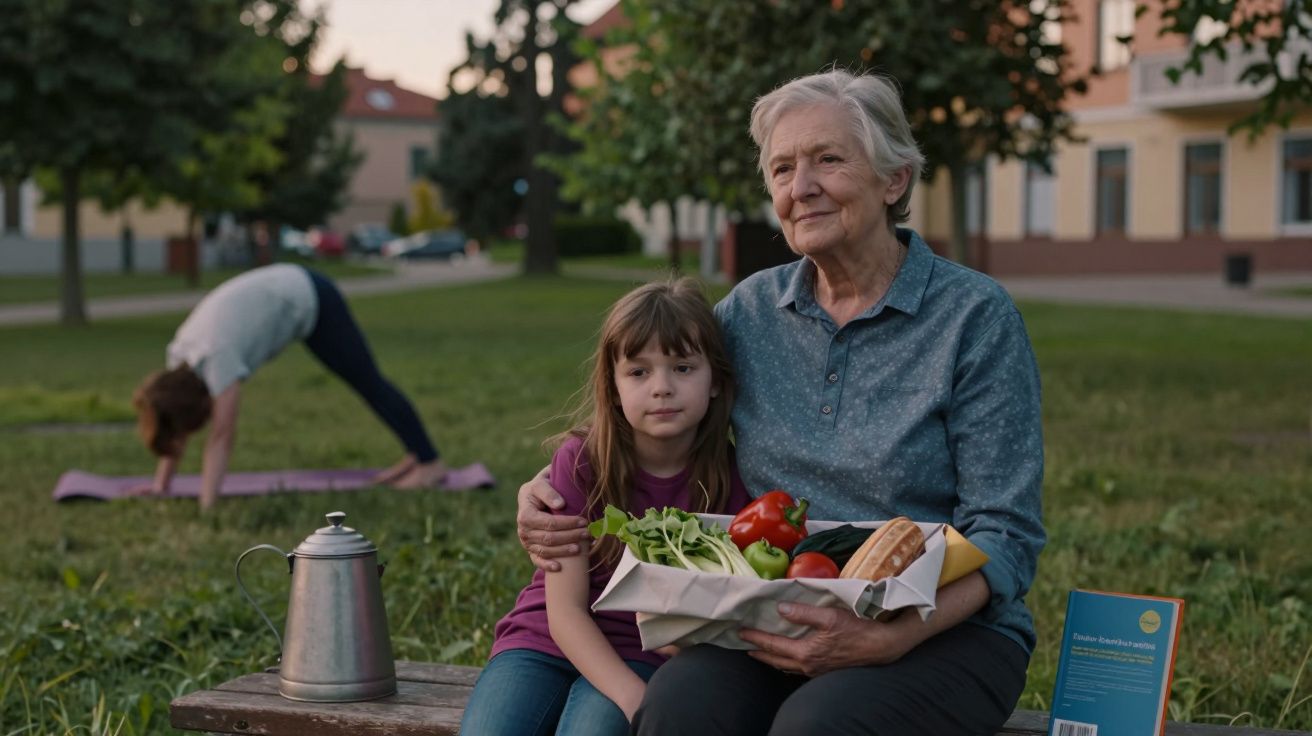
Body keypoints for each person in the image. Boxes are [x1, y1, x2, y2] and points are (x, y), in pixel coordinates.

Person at [515, 69, 1046, 736]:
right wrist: (549, 483)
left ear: (895, 180)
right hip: (769, 615)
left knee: (814, 727)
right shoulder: (750, 313)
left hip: (944, 632)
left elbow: (1008, 532)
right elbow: (662, 409)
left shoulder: (974, 318)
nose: (802, 188)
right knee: (676, 709)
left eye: (829, 159)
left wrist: (889, 639)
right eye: (783, 168)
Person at [460, 278, 751, 735]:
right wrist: (634, 698)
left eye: (682, 368)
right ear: (613, 388)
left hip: (644, 653)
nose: (662, 388)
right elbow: (565, 613)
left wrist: (639, 696)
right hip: (545, 643)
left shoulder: (732, 480)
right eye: (639, 372)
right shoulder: (581, 463)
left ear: (716, 381)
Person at [132, 263, 447, 511]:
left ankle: (430, 464)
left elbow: (221, 436)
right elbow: (174, 423)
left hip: (312, 297)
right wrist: (162, 486)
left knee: (369, 383)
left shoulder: (217, 357)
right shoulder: (180, 358)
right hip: (287, 287)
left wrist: (208, 506)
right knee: (368, 384)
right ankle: (415, 453)